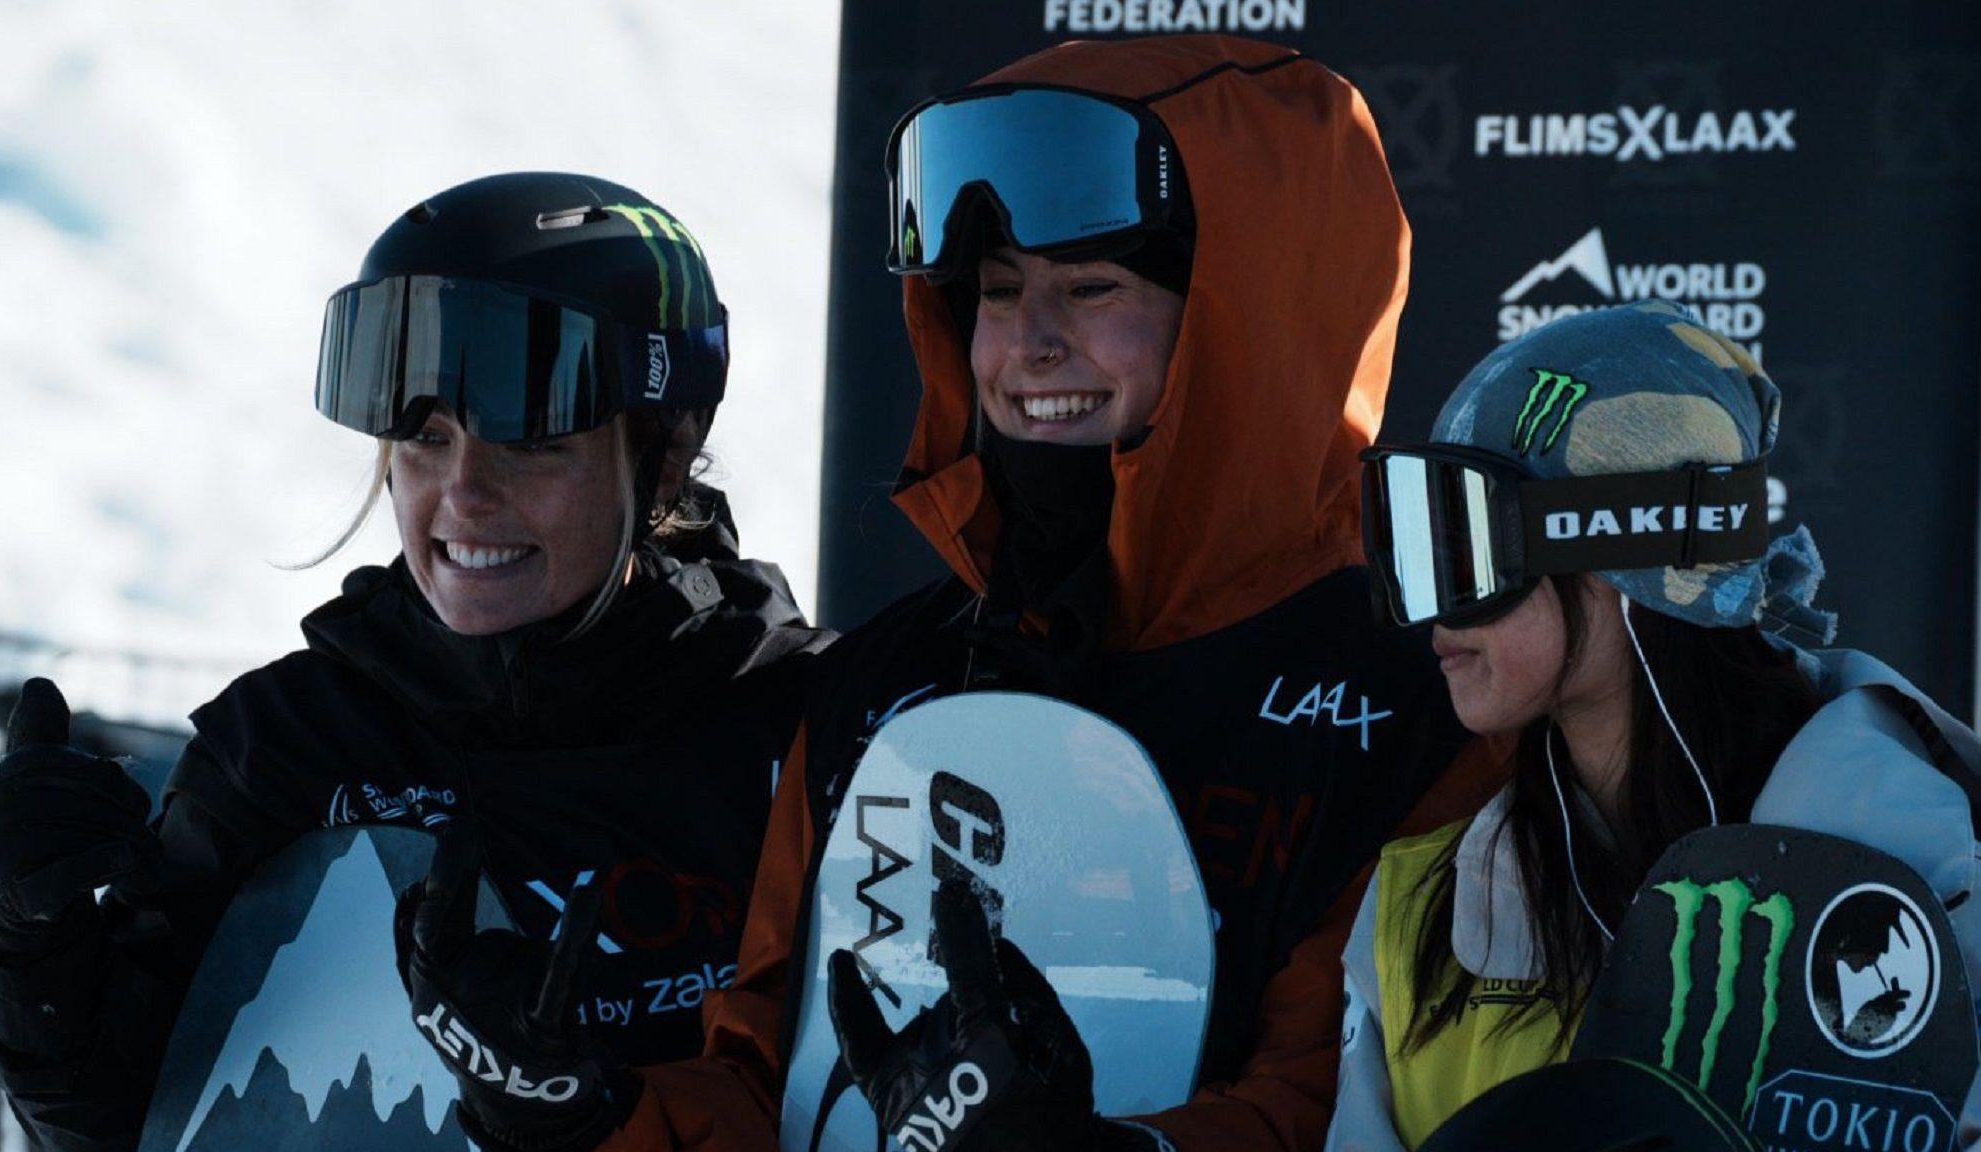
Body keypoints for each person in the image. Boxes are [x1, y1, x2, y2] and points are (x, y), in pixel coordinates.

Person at [492, 35, 1506, 1152]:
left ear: (1250, 323)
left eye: (1090, 287)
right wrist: (603, 1116)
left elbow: (1343, 1101)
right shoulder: (884, 680)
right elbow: (770, 1085)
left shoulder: (1425, 694)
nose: (1027, 344)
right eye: (997, 290)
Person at [0, 172, 830, 1152]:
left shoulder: (804, 729)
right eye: (426, 436)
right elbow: (119, 1118)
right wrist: (21, 946)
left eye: (529, 442)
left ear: (660, 458)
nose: (463, 493)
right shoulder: (288, 744)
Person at [1327, 301, 1981, 1149]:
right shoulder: (1421, 911)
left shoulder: (1921, 875)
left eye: (1468, 551)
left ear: (1617, 559)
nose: (1428, 614)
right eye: (1418, 548)